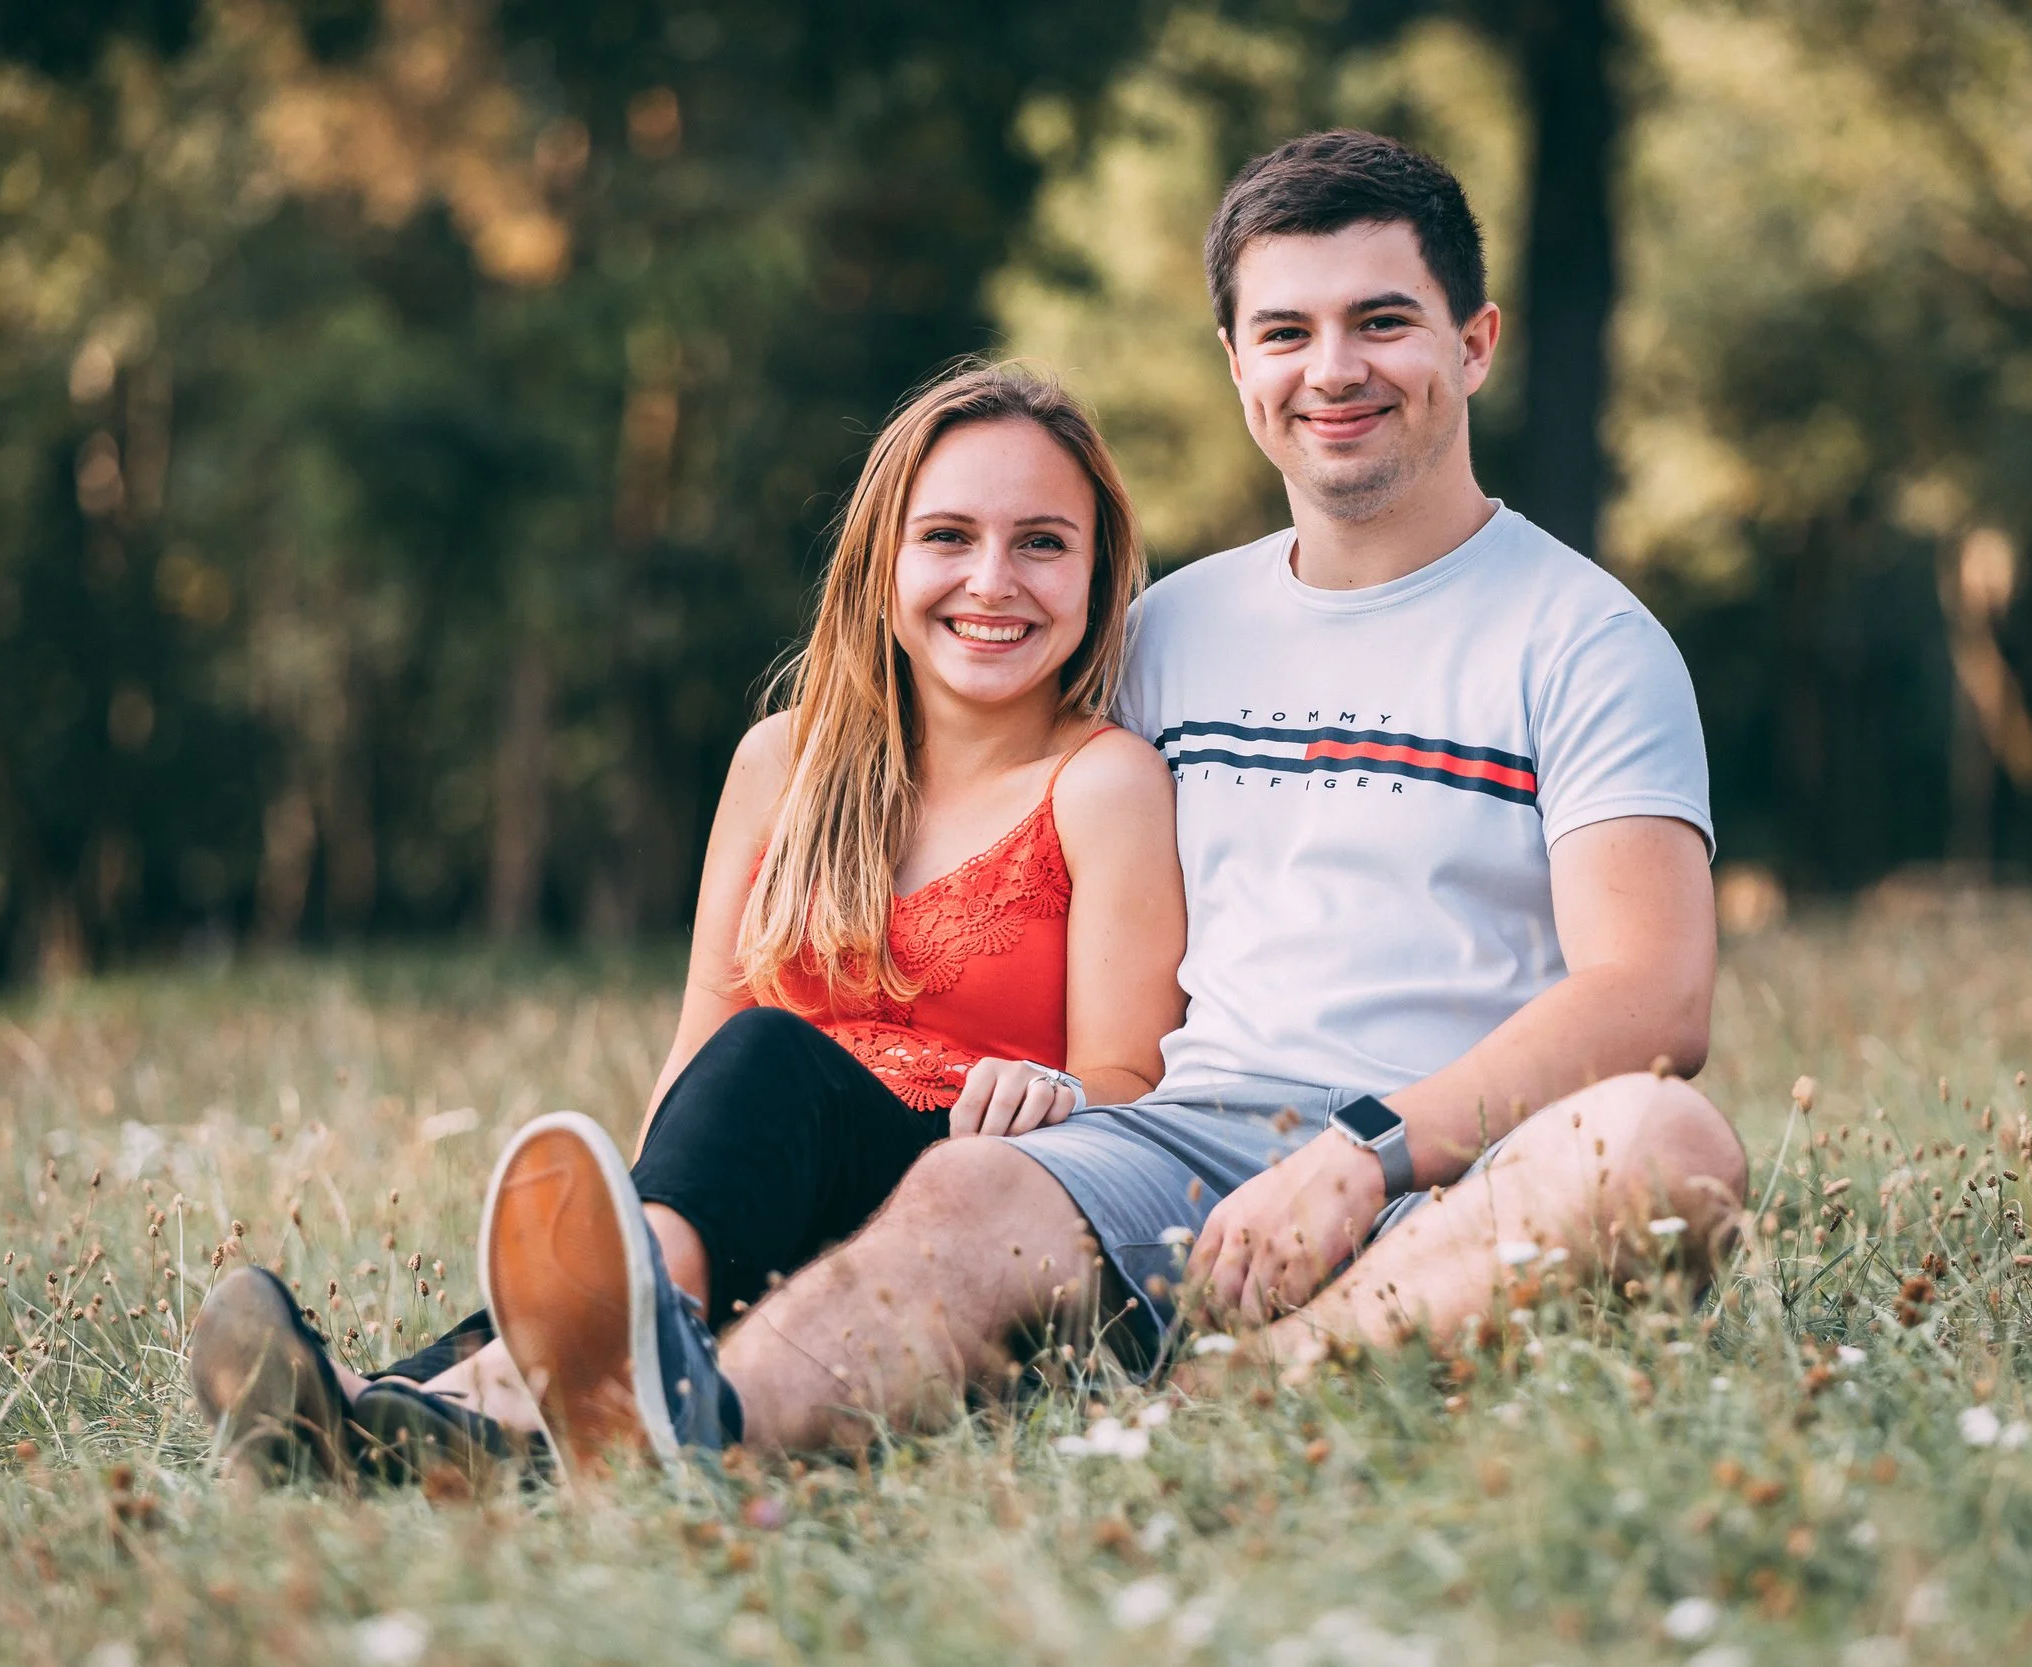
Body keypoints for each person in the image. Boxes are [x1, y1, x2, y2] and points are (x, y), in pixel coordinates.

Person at [469, 127, 1750, 1468]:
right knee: (962, 1191)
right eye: (1286, 330)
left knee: (1669, 1140)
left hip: (1454, 1161)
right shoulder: (1165, 633)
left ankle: (1247, 1390)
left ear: (1474, 342)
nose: (1334, 370)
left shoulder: (1584, 638)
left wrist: (1367, 1152)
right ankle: (706, 1442)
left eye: (1383, 322)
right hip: (1174, 1143)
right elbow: (973, 794)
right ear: (1236, 363)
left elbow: (1652, 995)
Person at [185, 364, 1185, 1482]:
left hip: (950, 1194)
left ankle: (472, 1392)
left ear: (1099, 575)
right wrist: (640, 1209)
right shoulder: (783, 764)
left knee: (765, 1057)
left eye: (1042, 542)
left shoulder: (1105, 784)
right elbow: (698, 1039)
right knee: (735, 1082)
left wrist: (1058, 1091)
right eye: (948, 535)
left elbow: (1134, 1073)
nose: (992, 580)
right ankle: (411, 1416)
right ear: (882, 563)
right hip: (761, 1199)